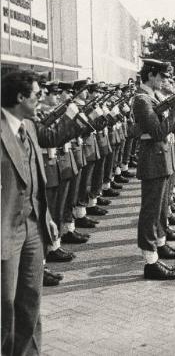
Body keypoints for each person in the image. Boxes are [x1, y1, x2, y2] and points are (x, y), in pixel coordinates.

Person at [1, 70, 81, 355]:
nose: (41, 99)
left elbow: (36, 178)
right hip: (5, 229)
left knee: (31, 298)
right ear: (20, 97)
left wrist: (46, 217)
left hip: (33, 225)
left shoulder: (29, 125)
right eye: (36, 95)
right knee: (5, 304)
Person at [132, 59, 175, 280]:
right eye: (160, 77)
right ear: (150, 75)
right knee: (150, 211)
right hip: (153, 161)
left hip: (161, 159)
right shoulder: (142, 101)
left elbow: (171, 127)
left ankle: (159, 245)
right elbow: (160, 131)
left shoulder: (152, 98)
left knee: (160, 207)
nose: (163, 81)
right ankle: (150, 261)